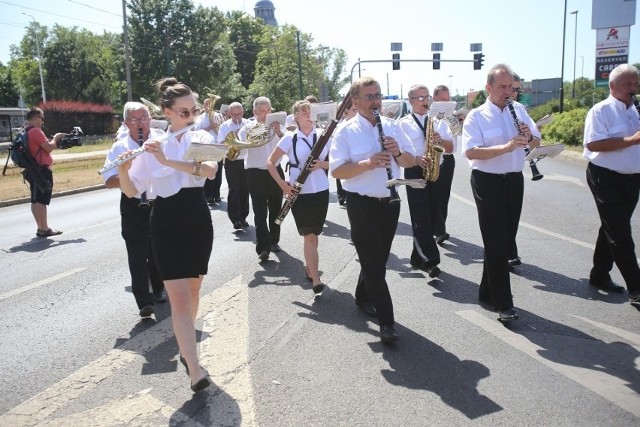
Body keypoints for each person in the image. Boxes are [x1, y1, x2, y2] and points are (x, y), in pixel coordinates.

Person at [118, 77, 217, 392]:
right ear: (168, 112)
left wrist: (167, 160)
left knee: (194, 292)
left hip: (197, 218)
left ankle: (188, 354)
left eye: (193, 110)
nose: (191, 116)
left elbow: (211, 170)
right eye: (184, 112)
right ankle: (194, 369)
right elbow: (132, 190)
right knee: (178, 300)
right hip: (165, 223)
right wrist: (121, 166)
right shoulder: (152, 145)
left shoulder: (200, 135)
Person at [330, 77, 416, 343]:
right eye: (369, 97)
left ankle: (362, 295)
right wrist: (367, 164)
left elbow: (411, 161)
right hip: (361, 203)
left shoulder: (393, 126)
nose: (375, 101)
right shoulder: (345, 131)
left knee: (377, 259)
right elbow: (337, 170)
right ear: (355, 101)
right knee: (375, 265)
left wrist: (398, 152)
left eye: (377, 96)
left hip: (390, 202)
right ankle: (387, 323)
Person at [462, 64, 541, 322]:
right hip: (487, 181)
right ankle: (503, 304)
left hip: (514, 180)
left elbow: (536, 142)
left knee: (505, 240)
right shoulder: (476, 116)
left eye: (511, 87)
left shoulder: (519, 110)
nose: (508, 92)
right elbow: (472, 152)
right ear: (489, 88)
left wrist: (529, 137)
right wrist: (506, 147)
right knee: (496, 241)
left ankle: (487, 291)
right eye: (502, 87)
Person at [102, 102, 166, 318]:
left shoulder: (162, 138)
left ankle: (158, 289)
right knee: (137, 253)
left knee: (157, 249)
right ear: (127, 123)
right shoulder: (120, 147)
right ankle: (144, 301)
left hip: (160, 201)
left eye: (144, 118)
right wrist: (125, 172)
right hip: (133, 203)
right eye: (136, 120)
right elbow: (108, 180)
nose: (141, 123)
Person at [583, 63, 640, 304]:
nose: (633, 88)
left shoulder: (637, 110)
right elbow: (593, 145)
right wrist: (631, 139)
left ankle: (599, 274)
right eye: (628, 84)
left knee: (613, 226)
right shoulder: (600, 111)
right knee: (620, 232)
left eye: (636, 83)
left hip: (632, 178)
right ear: (612, 86)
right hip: (605, 176)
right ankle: (636, 288)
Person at [267, 100, 330, 298]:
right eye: (304, 112)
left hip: (321, 190)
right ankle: (316, 280)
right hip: (298, 192)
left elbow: (338, 163)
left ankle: (310, 266)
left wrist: (323, 164)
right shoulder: (288, 138)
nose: (309, 115)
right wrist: (283, 185)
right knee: (309, 235)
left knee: (315, 234)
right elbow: (270, 163)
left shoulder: (324, 136)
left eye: (311, 112)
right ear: (296, 117)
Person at [398, 84, 454, 278]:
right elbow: (400, 151)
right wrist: (415, 159)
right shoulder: (403, 123)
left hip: (435, 170)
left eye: (427, 97)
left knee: (431, 216)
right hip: (414, 170)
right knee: (420, 215)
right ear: (411, 101)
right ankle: (431, 261)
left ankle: (417, 257)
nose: (425, 101)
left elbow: (451, 148)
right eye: (420, 98)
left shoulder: (439, 121)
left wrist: (439, 141)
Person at [239, 96, 284, 262]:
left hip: (275, 171)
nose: (266, 114)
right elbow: (241, 150)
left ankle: (274, 241)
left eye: (269, 110)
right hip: (255, 173)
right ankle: (263, 247)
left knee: (276, 210)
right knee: (259, 213)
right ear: (254, 112)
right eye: (262, 111)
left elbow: (287, 146)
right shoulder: (246, 129)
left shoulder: (277, 126)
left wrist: (279, 132)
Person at [23, 107, 66, 238]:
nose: (43, 121)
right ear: (35, 118)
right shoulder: (36, 131)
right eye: (42, 118)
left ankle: (40, 227)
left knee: (35, 200)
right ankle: (44, 228)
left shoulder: (26, 130)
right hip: (40, 170)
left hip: (32, 169)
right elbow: (48, 148)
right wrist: (56, 138)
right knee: (41, 200)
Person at [217, 102, 250, 230]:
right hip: (231, 161)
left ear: (243, 112)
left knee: (245, 190)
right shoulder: (225, 126)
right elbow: (220, 143)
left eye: (240, 113)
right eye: (234, 114)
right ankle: (235, 219)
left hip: (245, 160)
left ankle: (243, 217)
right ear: (229, 113)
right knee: (234, 189)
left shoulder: (248, 124)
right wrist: (233, 137)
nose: (237, 117)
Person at [431, 85, 457, 245]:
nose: (446, 103)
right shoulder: (428, 117)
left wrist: (440, 139)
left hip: (447, 159)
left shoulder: (452, 120)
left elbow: (453, 146)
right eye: (442, 100)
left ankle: (440, 228)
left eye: (448, 100)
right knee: (434, 195)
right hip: (432, 159)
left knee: (444, 196)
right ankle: (438, 229)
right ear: (434, 100)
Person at [194, 97, 224, 205]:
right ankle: (209, 196)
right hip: (205, 147)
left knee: (218, 171)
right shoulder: (199, 118)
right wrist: (209, 127)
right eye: (206, 104)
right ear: (203, 106)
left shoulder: (218, 116)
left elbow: (222, 132)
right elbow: (196, 132)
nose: (208, 106)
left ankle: (217, 194)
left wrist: (216, 127)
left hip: (216, 145)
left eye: (210, 104)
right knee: (207, 171)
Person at [335, 102, 358, 206]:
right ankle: (342, 194)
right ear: (346, 111)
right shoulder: (339, 127)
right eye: (354, 110)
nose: (356, 113)